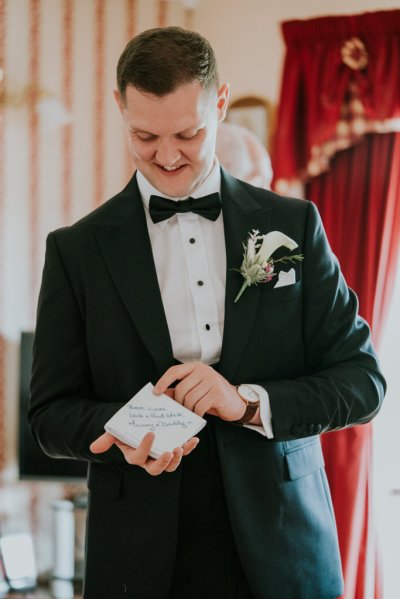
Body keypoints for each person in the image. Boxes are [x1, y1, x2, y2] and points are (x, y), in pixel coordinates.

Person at [29, 27, 385, 599]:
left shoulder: (294, 225)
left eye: (188, 134)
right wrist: (123, 432)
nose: (167, 157)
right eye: (144, 136)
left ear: (220, 102)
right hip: (140, 557)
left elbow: (362, 383)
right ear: (119, 107)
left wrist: (245, 402)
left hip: (282, 539)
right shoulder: (77, 250)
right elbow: (48, 416)